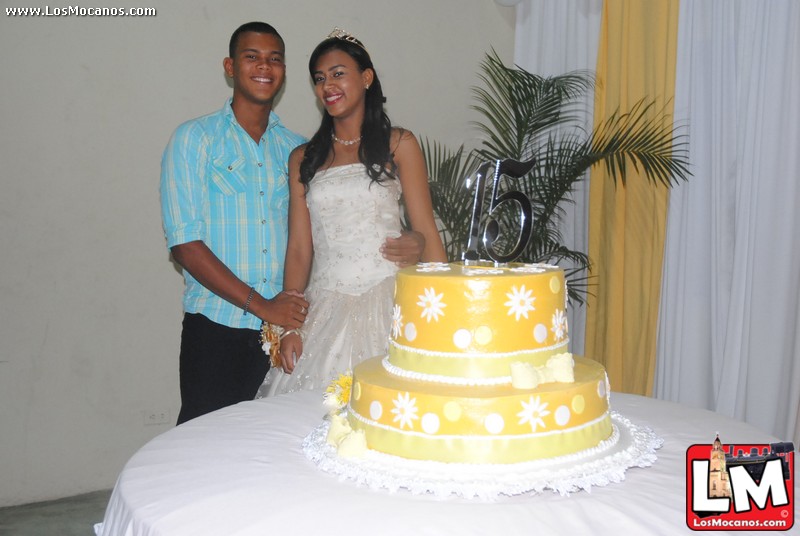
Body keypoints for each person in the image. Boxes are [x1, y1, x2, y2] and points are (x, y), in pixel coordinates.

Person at [161, 22, 423, 424]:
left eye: (275, 59)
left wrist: (417, 243)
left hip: (298, 317)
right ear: (230, 67)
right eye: (252, 57)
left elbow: (310, 241)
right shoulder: (196, 138)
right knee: (206, 441)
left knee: (284, 441)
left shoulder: (296, 148)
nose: (264, 66)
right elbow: (184, 245)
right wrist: (267, 308)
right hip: (221, 323)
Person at [259, 28, 447, 396]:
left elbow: (427, 230)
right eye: (319, 78)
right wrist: (291, 326)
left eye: (338, 73)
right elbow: (299, 248)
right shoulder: (303, 158)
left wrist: (445, 311)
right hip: (327, 304)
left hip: (392, 297)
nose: (327, 84)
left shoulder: (400, 144)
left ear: (366, 77)